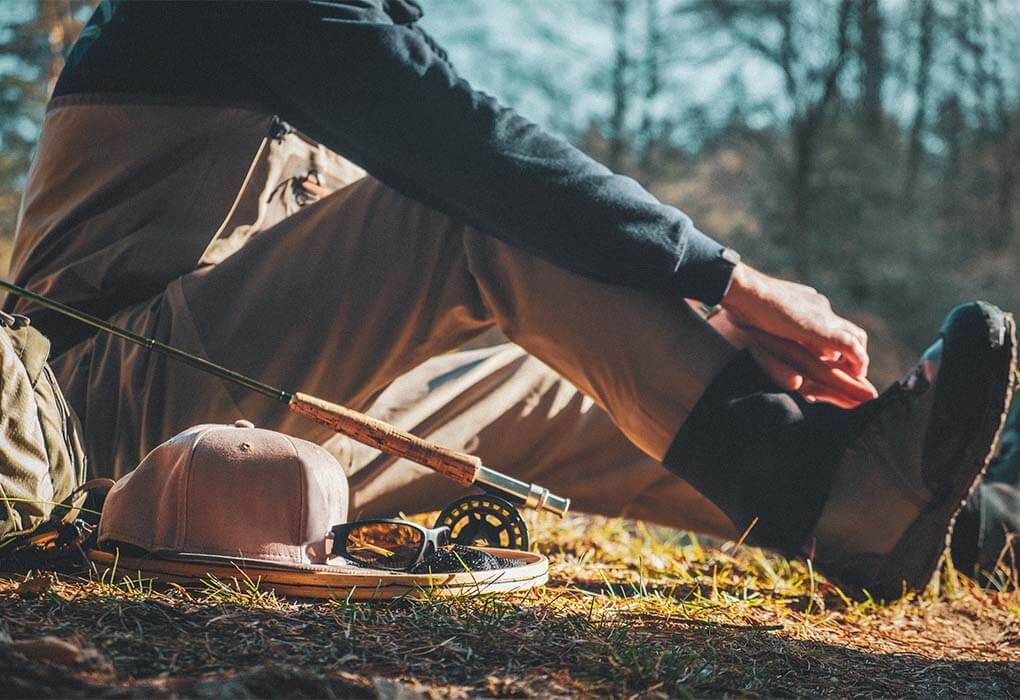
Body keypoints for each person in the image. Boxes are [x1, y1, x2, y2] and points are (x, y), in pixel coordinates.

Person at [5, 0, 1016, 598]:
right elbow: (466, 160)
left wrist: (691, 325)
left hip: (246, 416)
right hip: (101, 424)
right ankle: (824, 489)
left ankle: (955, 524)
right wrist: (727, 274)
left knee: (567, 381)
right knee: (460, 211)